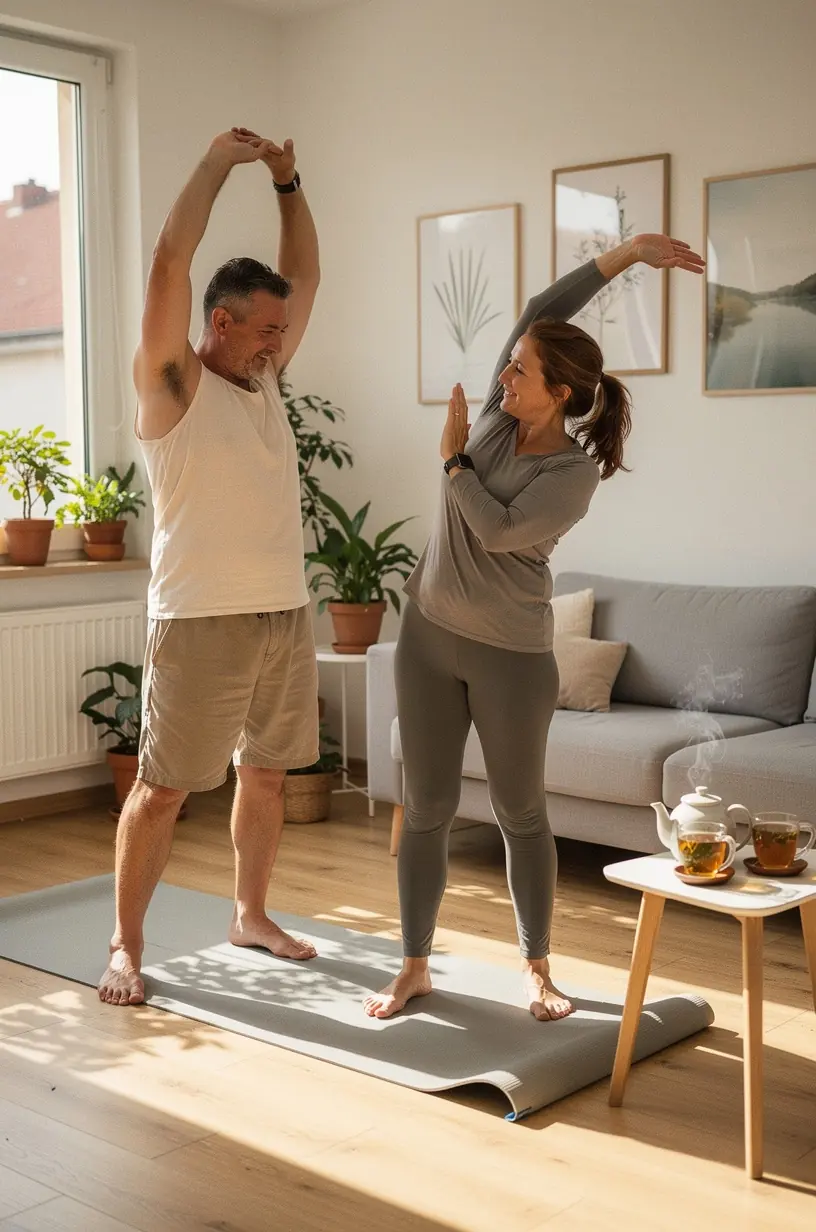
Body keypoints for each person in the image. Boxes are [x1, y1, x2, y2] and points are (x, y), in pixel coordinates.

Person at [364, 235, 705, 1022]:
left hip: (510, 658)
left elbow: (497, 530)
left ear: (557, 393)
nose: (505, 374)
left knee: (521, 814)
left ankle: (538, 970)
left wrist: (453, 463)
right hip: (427, 637)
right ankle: (414, 964)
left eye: (520, 369)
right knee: (426, 807)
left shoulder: (573, 473)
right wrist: (628, 254)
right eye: (509, 365)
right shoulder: (495, 413)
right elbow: (539, 311)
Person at [98, 128, 322, 1006]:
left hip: (284, 611)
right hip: (198, 617)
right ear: (218, 323)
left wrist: (287, 180)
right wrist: (218, 164)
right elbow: (168, 260)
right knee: (162, 792)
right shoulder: (173, 387)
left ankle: (251, 915)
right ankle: (125, 944)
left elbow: (303, 275)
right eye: (265, 327)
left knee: (266, 774)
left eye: (282, 328)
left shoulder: (260, 377)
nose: (282, 339)